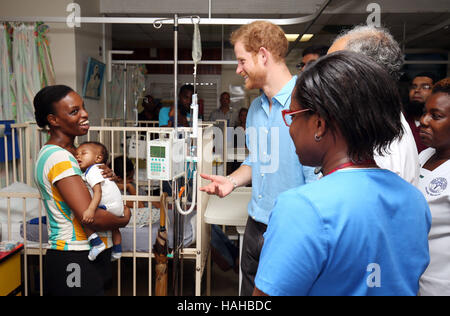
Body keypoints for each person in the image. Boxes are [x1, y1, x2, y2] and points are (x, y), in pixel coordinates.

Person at [254, 51, 431, 296]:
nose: (291, 129)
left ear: (319, 123)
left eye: (292, 117)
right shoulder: (414, 200)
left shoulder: (302, 207)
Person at [199, 21, 317, 296]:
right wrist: (231, 181)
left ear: (263, 55)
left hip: (292, 227)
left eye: (242, 60)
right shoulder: (255, 108)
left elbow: (318, 181)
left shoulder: (308, 103)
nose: (238, 69)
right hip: (255, 225)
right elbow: (257, 160)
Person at [33, 85, 131, 296]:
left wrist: (107, 180)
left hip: (87, 253)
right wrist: (124, 218)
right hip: (73, 255)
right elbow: (91, 217)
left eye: (83, 107)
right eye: (74, 111)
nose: (85, 114)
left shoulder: (73, 156)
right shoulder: (59, 158)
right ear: (53, 120)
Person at [328, 24, 420, 186]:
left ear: (362, 72)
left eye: (332, 66)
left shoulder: (385, 144)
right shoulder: (371, 122)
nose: (323, 75)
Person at [417, 78, 450, 296]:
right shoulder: (423, 155)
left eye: (436, 116)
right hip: (414, 279)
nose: (424, 121)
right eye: (425, 112)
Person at [75, 141, 124, 262]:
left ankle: (96, 243)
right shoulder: (98, 170)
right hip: (118, 207)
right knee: (115, 228)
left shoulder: (93, 170)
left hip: (109, 206)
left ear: (98, 158)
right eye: (76, 154)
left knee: (84, 219)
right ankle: (117, 251)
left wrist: (91, 210)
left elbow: (98, 192)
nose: (78, 156)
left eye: (83, 153)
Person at [405, 72, 438, 153]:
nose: (417, 90)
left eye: (425, 87)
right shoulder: (399, 121)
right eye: (414, 87)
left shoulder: (440, 125)